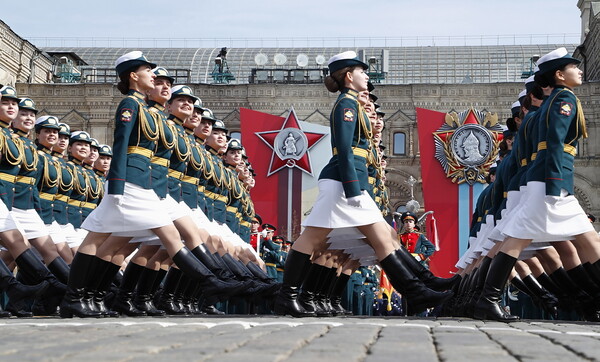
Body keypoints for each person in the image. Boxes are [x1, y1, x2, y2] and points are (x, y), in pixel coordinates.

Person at [60, 51, 242, 318]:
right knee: (158, 237)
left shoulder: (146, 110)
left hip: (144, 183)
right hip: (130, 182)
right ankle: (210, 282)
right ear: (134, 76)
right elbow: (121, 146)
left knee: (105, 242)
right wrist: (118, 184)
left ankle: (88, 297)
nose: (155, 77)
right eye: (149, 72)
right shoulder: (129, 105)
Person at [273, 51, 451, 318]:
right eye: (362, 72)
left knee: (384, 237)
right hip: (342, 181)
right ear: (348, 76)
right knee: (313, 238)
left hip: (348, 180)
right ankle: (287, 296)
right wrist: (353, 187)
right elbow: (343, 148)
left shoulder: (353, 104)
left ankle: (421, 288)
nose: (366, 76)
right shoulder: (346, 104)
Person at [474, 48, 600, 322]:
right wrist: (555, 184)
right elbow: (554, 143)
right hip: (550, 181)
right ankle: (486, 299)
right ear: (558, 74)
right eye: (572, 67)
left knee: (576, 240)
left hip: (545, 180)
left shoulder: (555, 99)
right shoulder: (564, 98)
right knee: (581, 241)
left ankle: (485, 299)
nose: (579, 71)